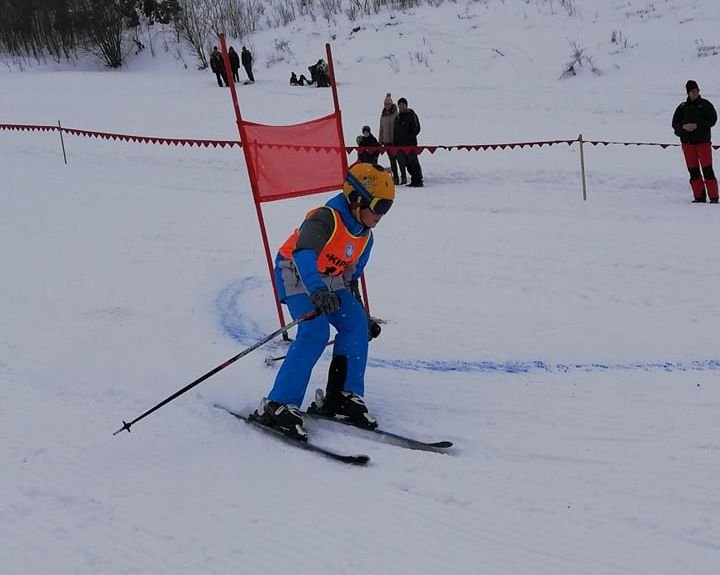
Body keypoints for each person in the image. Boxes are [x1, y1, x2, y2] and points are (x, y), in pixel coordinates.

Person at [255, 162, 395, 440]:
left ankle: (341, 395)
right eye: (379, 206)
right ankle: (279, 403)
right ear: (356, 199)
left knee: (355, 324)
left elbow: (351, 278)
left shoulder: (365, 236)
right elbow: (304, 254)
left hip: (330, 279)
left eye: (387, 207)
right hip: (296, 272)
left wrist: (361, 313)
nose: (382, 215)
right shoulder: (326, 218)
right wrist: (317, 291)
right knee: (315, 330)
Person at [672, 80, 718, 203]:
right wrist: (683, 127)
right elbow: (675, 124)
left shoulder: (705, 105)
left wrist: (698, 125)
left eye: (697, 91)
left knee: (707, 170)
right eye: (693, 91)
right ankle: (699, 196)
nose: (695, 93)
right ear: (688, 93)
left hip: (703, 143)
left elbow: (713, 120)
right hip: (688, 144)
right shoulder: (682, 107)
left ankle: (714, 197)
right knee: (693, 171)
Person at [393, 97, 423, 187]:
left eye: (403, 104)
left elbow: (417, 128)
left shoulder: (412, 114)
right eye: (399, 105)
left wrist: (409, 138)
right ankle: (414, 180)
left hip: (410, 144)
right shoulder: (398, 117)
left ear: (406, 105)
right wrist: (395, 142)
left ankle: (418, 180)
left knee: (413, 162)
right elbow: (396, 131)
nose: (401, 106)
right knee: (407, 164)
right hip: (401, 145)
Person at [378, 93, 400, 185]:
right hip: (387, 142)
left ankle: (403, 176)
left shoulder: (396, 114)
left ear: (391, 104)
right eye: (386, 104)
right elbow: (381, 129)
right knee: (392, 161)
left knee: (400, 160)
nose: (387, 105)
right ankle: (395, 177)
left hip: (395, 141)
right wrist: (380, 141)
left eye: (389, 104)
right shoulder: (383, 116)